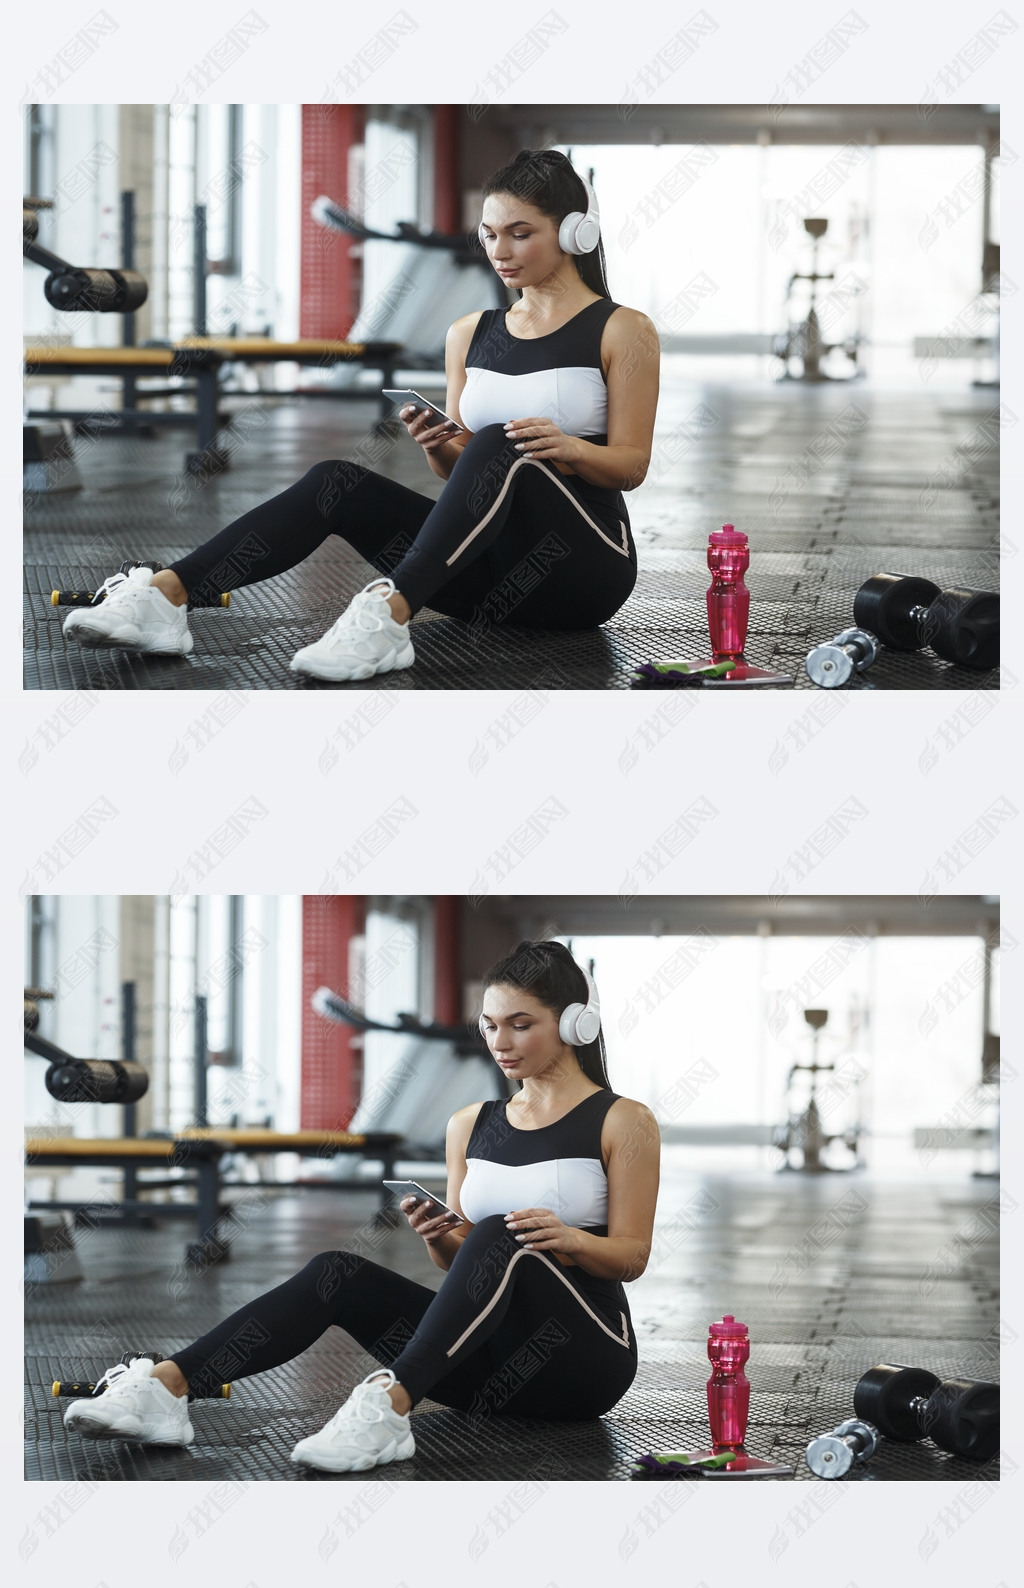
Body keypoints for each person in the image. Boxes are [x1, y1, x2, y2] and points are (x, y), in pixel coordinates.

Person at [62, 149, 660, 681]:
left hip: (583, 572)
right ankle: (166, 598)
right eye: (489, 234)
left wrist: (568, 447)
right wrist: (436, 446)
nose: (498, 251)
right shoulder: (470, 333)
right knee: (334, 481)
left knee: (501, 443)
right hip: (486, 580)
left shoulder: (623, 329)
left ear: (575, 233)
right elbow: (465, 480)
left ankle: (389, 615)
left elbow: (631, 465)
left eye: (520, 233)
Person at [63, 941, 661, 1473]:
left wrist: (568, 1238)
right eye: (489, 1025)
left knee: (501, 1234)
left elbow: (631, 1256)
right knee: (335, 1271)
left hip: (582, 1363)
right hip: (486, 1372)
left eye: (520, 1024)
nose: (499, 1043)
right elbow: (465, 1270)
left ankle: (390, 1405)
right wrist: (437, 1236)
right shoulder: (470, 1125)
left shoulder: (622, 1120)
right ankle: (167, 1390)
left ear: (576, 1025)